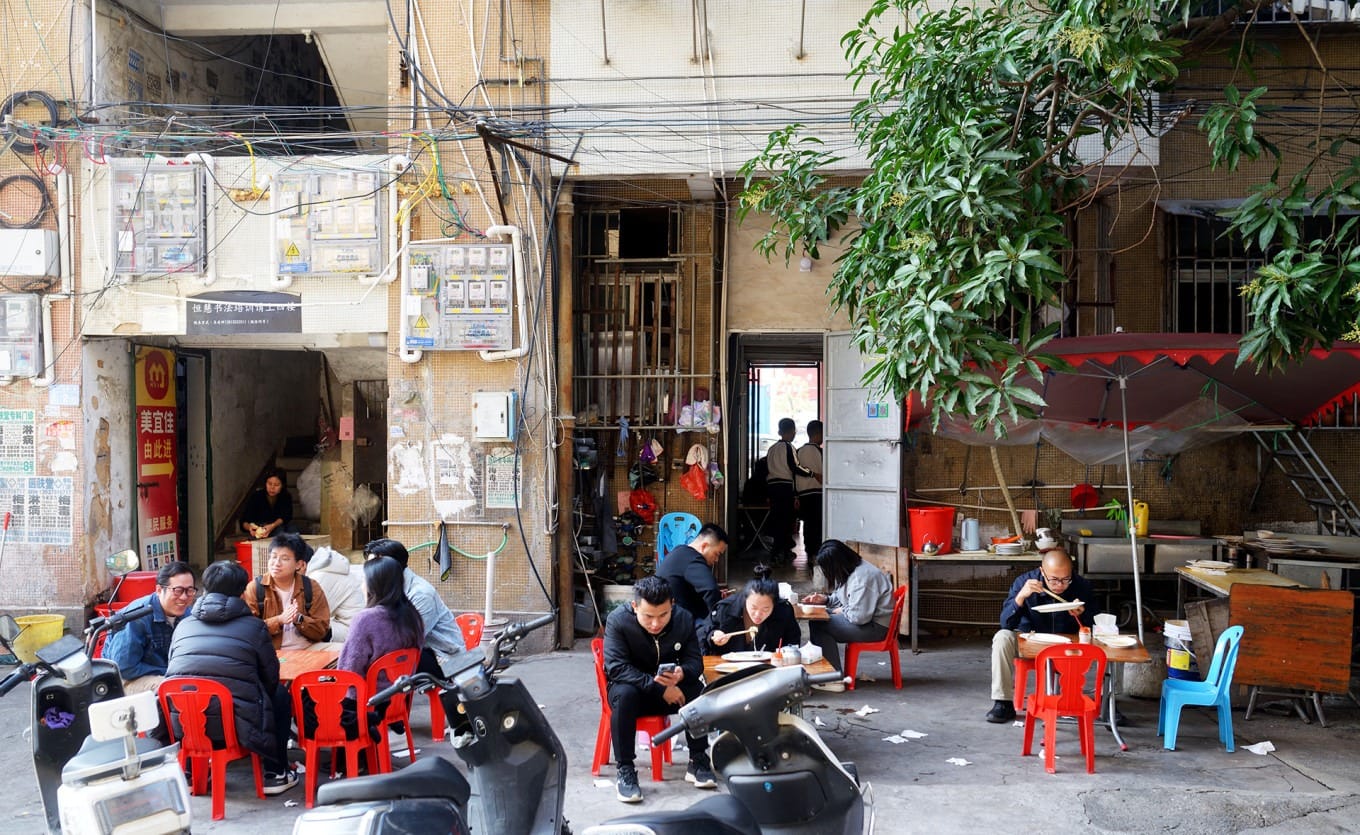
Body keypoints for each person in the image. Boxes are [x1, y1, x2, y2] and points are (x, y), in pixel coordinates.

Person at [165, 559, 298, 794]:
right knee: (278, 695)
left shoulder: (183, 626)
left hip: (184, 727)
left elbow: (174, 671)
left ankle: (189, 772)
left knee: (190, 693)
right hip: (234, 728)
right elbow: (270, 678)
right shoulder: (254, 627)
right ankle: (274, 773)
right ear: (242, 591)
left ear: (204, 588)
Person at [603, 575, 711, 804]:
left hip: (672, 688)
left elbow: (695, 660)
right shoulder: (617, 621)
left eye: (663, 615)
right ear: (634, 606)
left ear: (672, 604)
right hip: (632, 691)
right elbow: (616, 668)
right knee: (624, 695)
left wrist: (683, 672)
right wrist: (658, 689)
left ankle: (698, 759)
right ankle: (625, 770)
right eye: (648, 616)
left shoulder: (683, 618)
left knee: (697, 689)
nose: (655, 623)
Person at [986, 546, 1101, 723]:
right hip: (1031, 640)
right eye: (1054, 579)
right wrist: (1021, 597)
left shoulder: (1081, 585)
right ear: (1042, 571)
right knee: (1002, 637)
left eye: (1065, 579)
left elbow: (1096, 623)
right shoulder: (1024, 582)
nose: (1060, 585)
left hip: (1067, 645)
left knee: (1107, 640)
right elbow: (1006, 623)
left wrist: (1082, 613)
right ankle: (1003, 702)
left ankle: (1107, 703)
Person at [330, 556, 425, 745]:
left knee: (306, 695)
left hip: (367, 699)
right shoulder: (413, 615)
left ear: (375, 585)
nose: (362, 586)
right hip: (396, 697)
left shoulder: (366, 619)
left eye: (364, 581)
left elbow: (348, 669)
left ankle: (352, 742)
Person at [362, 539, 467, 679]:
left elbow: (404, 640)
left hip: (443, 659)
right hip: (421, 652)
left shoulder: (421, 594)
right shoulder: (390, 588)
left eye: (375, 565)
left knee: (384, 664)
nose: (371, 572)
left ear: (391, 567)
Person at [804, 539, 895, 692]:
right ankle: (825, 673)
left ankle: (833, 678)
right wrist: (825, 600)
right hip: (866, 621)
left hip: (875, 627)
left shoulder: (863, 578)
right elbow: (843, 598)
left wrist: (841, 610)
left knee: (821, 624)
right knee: (818, 620)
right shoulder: (851, 570)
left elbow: (859, 617)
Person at [103, 561, 196, 695]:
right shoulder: (137, 616)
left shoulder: (186, 613)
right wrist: (169, 672)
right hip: (124, 680)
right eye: (178, 590)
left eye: (190, 590)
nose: (184, 597)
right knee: (176, 690)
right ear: (159, 590)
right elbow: (123, 667)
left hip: (164, 672)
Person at [244, 532, 334, 651]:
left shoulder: (311, 586)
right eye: (273, 556)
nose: (276, 563)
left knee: (340, 652)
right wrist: (279, 620)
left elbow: (322, 629)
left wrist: (299, 619)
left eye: (284, 558)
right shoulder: (255, 588)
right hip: (271, 652)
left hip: (308, 648)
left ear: (299, 564)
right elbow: (247, 630)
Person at [702, 577, 801, 655]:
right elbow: (701, 634)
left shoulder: (783, 611)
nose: (758, 614)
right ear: (745, 600)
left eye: (765, 609)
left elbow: (793, 642)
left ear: (774, 604)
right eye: (753, 607)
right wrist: (713, 635)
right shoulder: (726, 609)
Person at [655, 522, 729, 628]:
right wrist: (718, 621)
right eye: (717, 554)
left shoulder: (680, 552)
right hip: (674, 621)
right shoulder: (693, 559)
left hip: (669, 612)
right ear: (704, 546)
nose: (717, 560)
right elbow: (710, 589)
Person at [764, 418, 812, 564]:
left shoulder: (771, 449)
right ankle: (781, 552)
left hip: (772, 487)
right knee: (786, 520)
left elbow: (765, 469)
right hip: (785, 487)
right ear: (792, 432)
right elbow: (795, 467)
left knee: (778, 519)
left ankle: (780, 551)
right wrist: (810, 473)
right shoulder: (788, 447)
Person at [306, 546, 366, 642]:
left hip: (351, 631)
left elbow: (314, 615)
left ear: (300, 564)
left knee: (306, 627)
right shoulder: (327, 568)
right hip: (347, 624)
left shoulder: (320, 577)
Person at [795, 419, 824, 556]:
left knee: (808, 524)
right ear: (818, 434)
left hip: (803, 494)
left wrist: (796, 495)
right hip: (818, 493)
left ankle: (809, 550)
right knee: (818, 524)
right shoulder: (822, 452)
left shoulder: (798, 452)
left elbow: (794, 474)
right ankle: (817, 551)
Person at [239, 470, 293, 540]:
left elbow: (286, 516)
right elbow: (244, 520)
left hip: (277, 526)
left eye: (276, 485)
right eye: (269, 484)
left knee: (290, 531)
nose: (272, 488)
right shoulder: (257, 496)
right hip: (260, 528)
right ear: (265, 483)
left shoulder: (286, 496)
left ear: (282, 486)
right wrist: (250, 527)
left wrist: (273, 525)